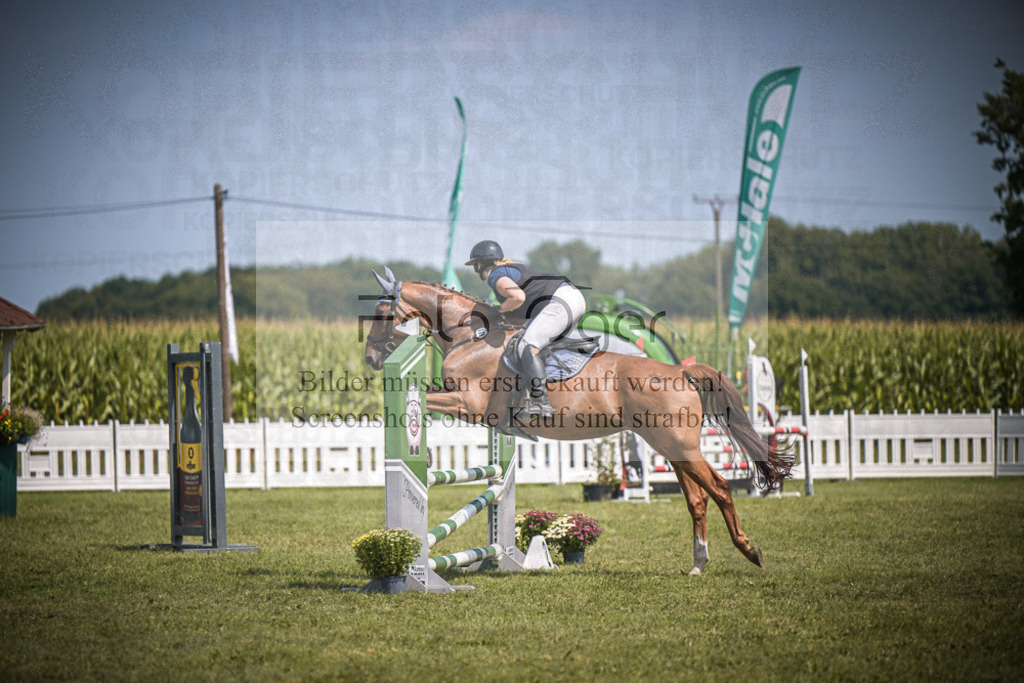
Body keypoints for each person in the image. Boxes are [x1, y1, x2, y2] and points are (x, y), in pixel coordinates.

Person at [465, 240, 587, 418]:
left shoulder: (495, 275)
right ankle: (532, 397)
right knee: (538, 346)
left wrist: (498, 310)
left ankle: (541, 403)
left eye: (475, 265)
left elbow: (518, 297)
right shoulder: (511, 268)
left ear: (480, 264)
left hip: (561, 301)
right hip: (572, 298)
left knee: (526, 346)